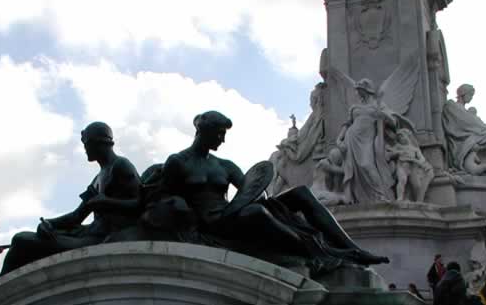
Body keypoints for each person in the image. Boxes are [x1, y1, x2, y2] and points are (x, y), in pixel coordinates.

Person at [152, 110, 388, 273]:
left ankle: (353, 248)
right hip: (210, 224)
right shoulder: (178, 162)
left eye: (224, 134)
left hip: (230, 214)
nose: (223, 140)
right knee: (256, 213)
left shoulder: (224, 165)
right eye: (219, 134)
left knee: (300, 194)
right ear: (204, 131)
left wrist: (265, 199)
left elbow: (251, 189)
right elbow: (163, 197)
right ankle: (321, 251)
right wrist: (179, 208)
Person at [0, 123, 142, 276]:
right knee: (20, 240)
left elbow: (140, 205)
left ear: (98, 142)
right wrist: (49, 223)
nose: (85, 149)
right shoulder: (97, 178)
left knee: (22, 240)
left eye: (86, 143)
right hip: (87, 233)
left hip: (101, 238)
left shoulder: (121, 165)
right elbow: (77, 216)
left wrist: (107, 202)